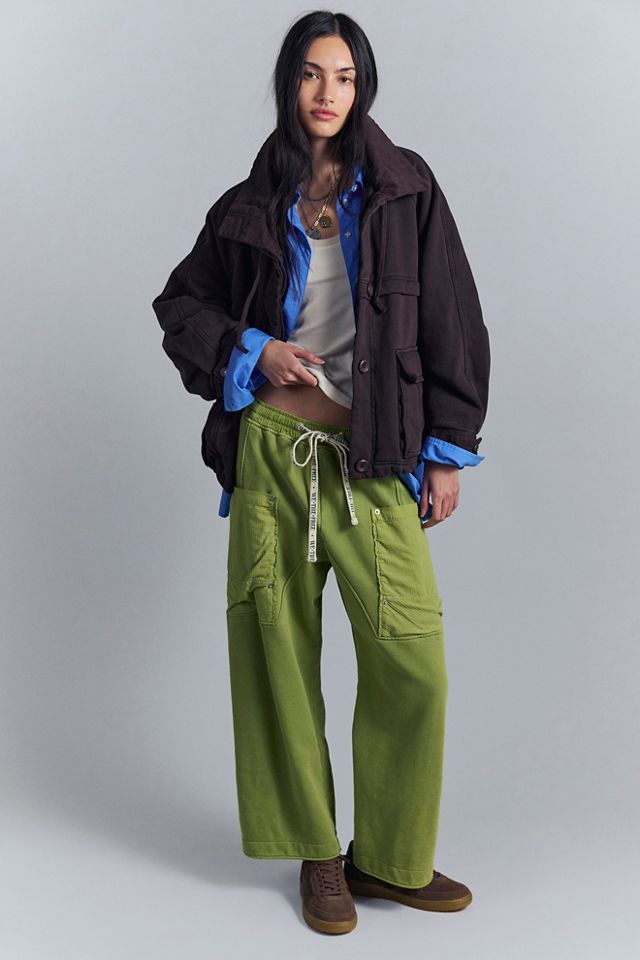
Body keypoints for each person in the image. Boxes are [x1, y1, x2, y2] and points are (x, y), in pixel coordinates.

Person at [152, 10, 490, 936]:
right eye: (310, 73)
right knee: (279, 656)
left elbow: (452, 317)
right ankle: (317, 855)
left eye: (343, 76)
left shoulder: (407, 190)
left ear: (362, 85)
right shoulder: (246, 206)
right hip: (272, 456)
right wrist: (253, 348)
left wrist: (448, 448)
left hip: (374, 458)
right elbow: (181, 306)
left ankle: (388, 859)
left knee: (412, 660)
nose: (326, 92)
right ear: (289, 84)